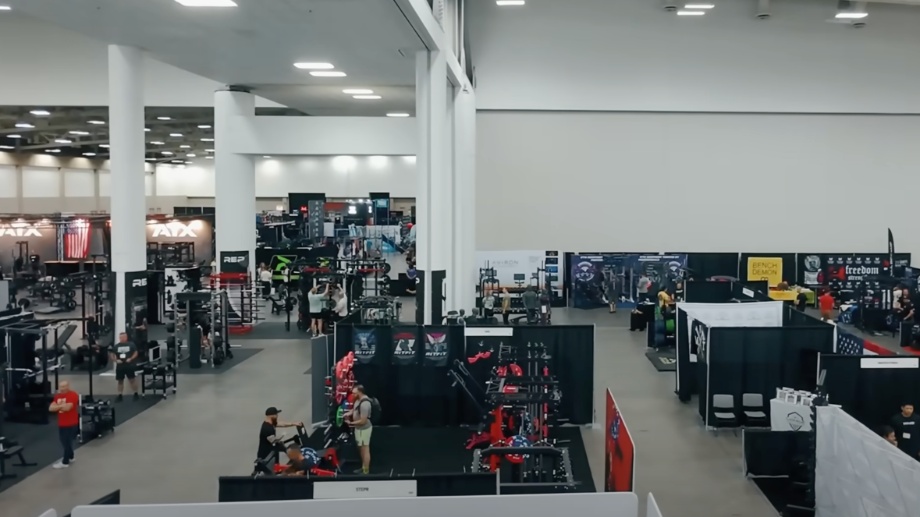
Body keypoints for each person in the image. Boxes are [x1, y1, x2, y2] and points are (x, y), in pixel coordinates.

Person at [49, 380, 79, 469]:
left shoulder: (73, 395)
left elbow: (68, 408)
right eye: (61, 387)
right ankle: (71, 456)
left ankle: (65, 462)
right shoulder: (57, 396)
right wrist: (61, 406)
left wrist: (57, 407)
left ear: (68, 386)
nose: (62, 389)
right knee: (64, 441)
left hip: (72, 423)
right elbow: (51, 408)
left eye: (64, 386)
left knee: (67, 442)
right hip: (62, 423)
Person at [345, 385, 373, 474]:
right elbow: (354, 410)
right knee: (361, 449)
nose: (352, 395)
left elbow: (363, 421)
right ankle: (363, 467)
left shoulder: (365, 404)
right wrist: (347, 414)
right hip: (358, 429)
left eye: (354, 393)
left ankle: (366, 471)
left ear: (360, 392)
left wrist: (351, 423)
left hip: (364, 429)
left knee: (365, 449)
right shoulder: (357, 400)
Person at [111, 332, 139, 402]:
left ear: (126, 337)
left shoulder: (131, 344)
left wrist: (131, 358)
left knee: (132, 379)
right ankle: (120, 394)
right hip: (120, 366)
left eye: (123, 337)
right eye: (121, 337)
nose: (122, 339)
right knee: (120, 381)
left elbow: (135, 352)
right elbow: (112, 354)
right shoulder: (116, 346)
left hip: (129, 365)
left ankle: (136, 393)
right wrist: (116, 360)